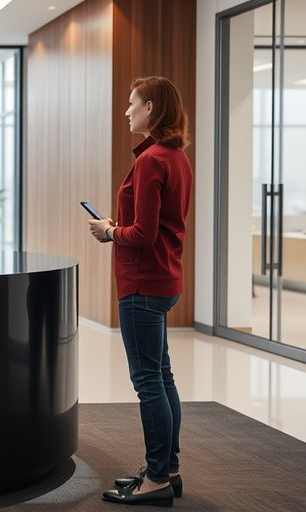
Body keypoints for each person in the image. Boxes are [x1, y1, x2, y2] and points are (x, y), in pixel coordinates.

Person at [89, 76, 193, 507]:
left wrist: (109, 230)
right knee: (162, 376)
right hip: (164, 279)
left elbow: (143, 234)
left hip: (142, 284)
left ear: (151, 107)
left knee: (148, 381)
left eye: (132, 104)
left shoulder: (151, 160)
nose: (126, 111)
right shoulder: (176, 157)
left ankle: (155, 481)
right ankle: (167, 469)